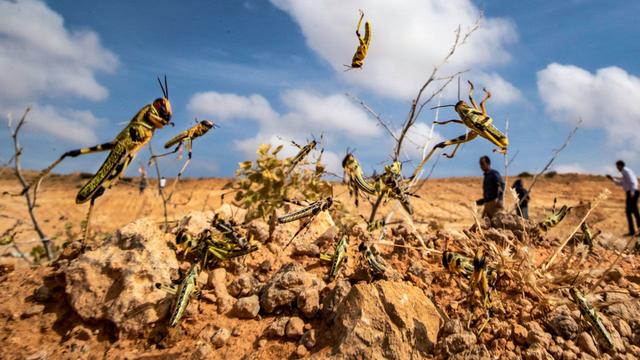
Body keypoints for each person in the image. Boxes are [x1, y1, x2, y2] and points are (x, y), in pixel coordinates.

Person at [607, 160, 640, 236]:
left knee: (634, 211)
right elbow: (621, 183)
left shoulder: (626, 171)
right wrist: (612, 179)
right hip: (631, 192)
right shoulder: (624, 173)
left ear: (620, 165)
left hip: (632, 192)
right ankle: (632, 231)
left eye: (617, 166)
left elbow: (633, 182)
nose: (617, 168)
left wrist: (632, 192)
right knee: (630, 212)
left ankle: (635, 231)